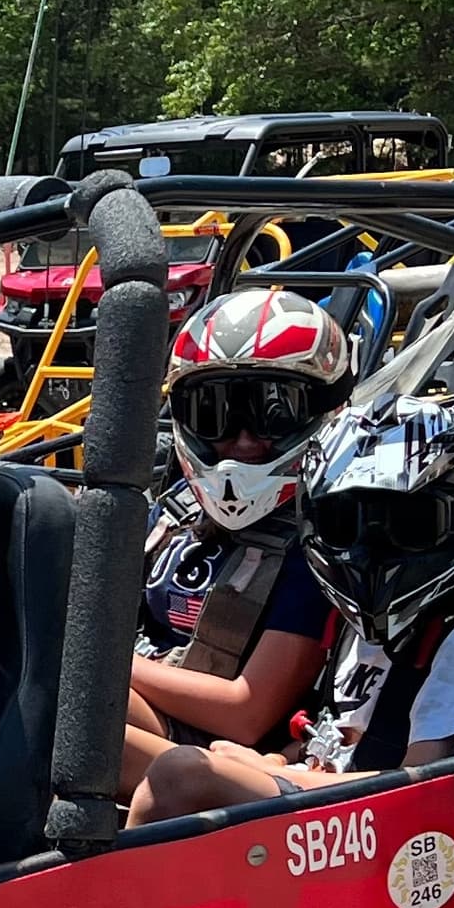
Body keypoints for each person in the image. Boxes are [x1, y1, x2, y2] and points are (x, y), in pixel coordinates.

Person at [127, 402, 454, 827]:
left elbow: (424, 783)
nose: (371, 551)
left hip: (370, 827)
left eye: (410, 524)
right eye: (345, 524)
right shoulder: (354, 626)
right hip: (321, 799)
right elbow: (332, 731)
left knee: (181, 776)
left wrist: (264, 772)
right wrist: (278, 760)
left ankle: (108, 894)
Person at [121, 288, 349, 785]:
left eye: (274, 411)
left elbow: (247, 712)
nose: (244, 440)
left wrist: (101, 660)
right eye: (215, 412)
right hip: (140, 708)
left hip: (216, 753)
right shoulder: (178, 509)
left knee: (67, 699)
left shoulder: (316, 547)